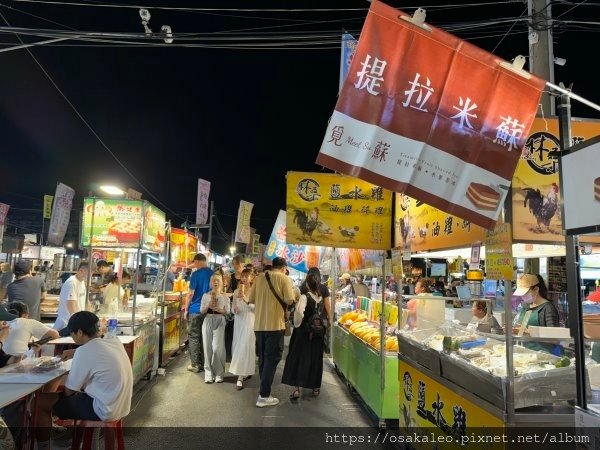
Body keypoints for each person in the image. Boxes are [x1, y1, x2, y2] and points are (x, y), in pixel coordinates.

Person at [35, 311, 133, 449]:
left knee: (40, 402)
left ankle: (43, 447)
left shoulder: (85, 351)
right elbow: (95, 349)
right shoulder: (113, 339)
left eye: (72, 334)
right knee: (60, 396)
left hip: (103, 409)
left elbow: (69, 391)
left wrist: (78, 355)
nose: (72, 337)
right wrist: (74, 352)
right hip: (121, 404)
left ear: (80, 332)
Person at [248, 257, 296, 408]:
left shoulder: (259, 277)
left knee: (262, 358)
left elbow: (252, 299)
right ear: (283, 267)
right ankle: (264, 395)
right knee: (272, 359)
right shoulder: (284, 278)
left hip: (259, 325)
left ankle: (264, 391)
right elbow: (289, 300)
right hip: (275, 325)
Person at [282, 272, 330, 399]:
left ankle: (297, 389)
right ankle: (315, 387)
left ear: (308, 284)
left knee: (300, 359)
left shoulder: (305, 297)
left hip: (304, 334)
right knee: (316, 360)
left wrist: (297, 324)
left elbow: (299, 314)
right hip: (317, 335)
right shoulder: (320, 298)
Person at [512, 273, 561, 353]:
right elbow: (521, 329)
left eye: (525, 293)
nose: (523, 296)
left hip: (543, 356)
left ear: (536, 289)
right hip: (524, 353)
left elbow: (555, 338)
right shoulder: (526, 306)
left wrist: (530, 333)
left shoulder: (548, 308)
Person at [183, 253, 213, 373]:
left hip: (195, 310)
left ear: (198, 261)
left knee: (194, 337)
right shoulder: (213, 274)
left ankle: (196, 364)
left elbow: (190, 294)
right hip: (208, 310)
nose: (194, 265)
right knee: (205, 337)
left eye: (195, 262)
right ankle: (205, 363)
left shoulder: (196, 274)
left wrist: (185, 309)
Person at [200, 274, 230, 384]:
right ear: (210, 283)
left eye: (217, 280)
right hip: (208, 320)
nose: (215, 282)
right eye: (213, 281)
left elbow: (228, 311)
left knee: (218, 348)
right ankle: (208, 374)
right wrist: (208, 305)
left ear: (221, 282)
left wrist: (219, 309)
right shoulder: (205, 295)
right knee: (207, 348)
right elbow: (202, 311)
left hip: (220, 320)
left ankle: (219, 373)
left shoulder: (225, 296)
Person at [229, 268, 256, 390]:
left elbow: (256, 309)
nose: (244, 278)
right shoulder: (236, 291)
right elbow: (233, 307)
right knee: (238, 345)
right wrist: (234, 310)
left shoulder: (255, 291)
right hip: (239, 321)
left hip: (250, 320)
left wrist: (246, 300)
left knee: (245, 346)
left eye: (247, 276)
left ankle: (240, 376)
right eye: (242, 276)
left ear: (252, 278)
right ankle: (245, 371)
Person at [53, 262, 89, 332]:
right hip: (67, 324)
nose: (91, 275)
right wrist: (80, 323)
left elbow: (85, 301)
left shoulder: (82, 282)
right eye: (90, 273)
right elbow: (71, 305)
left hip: (75, 322)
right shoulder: (71, 282)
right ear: (81, 271)